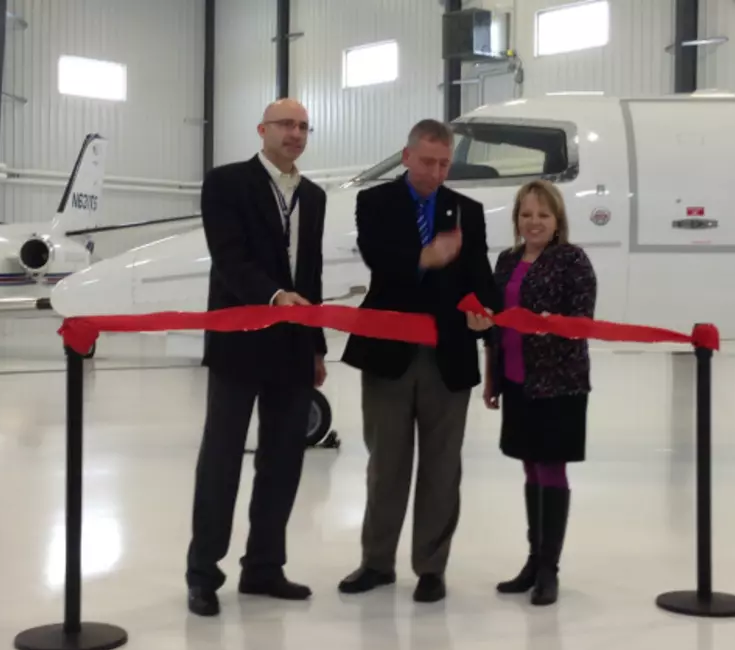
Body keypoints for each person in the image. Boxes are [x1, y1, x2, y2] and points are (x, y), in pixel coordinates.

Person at [339, 118, 501, 603]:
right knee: (386, 464)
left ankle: (431, 568)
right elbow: (379, 258)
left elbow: (480, 277)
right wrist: (426, 257)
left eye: (444, 163)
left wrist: (485, 312)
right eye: (428, 161)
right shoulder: (374, 202)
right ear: (406, 157)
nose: (436, 171)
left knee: (441, 467)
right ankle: (376, 563)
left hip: (448, 358)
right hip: (388, 355)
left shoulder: (466, 211)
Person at [185, 98, 328, 616]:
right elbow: (229, 257)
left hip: (292, 347)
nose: (295, 133)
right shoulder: (226, 183)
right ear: (262, 129)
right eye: (286, 124)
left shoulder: (312, 195)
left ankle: (264, 568)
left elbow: (309, 273)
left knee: (283, 461)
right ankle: (203, 575)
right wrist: (272, 297)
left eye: (303, 127)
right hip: (239, 340)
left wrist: (315, 345)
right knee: (221, 459)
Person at [480, 179, 597, 606]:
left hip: (558, 384)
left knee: (551, 469)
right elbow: (495, 323)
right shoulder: (506, 261)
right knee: (530, 468)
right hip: (515, 380)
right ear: (516, 219)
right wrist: (492, 377)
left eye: (543, 215)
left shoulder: (572, 261)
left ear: (557, 220)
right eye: (526, 214)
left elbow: (582, 321)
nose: (534, 222)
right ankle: (533, 560)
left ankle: (550, 568)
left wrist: (547, 322)